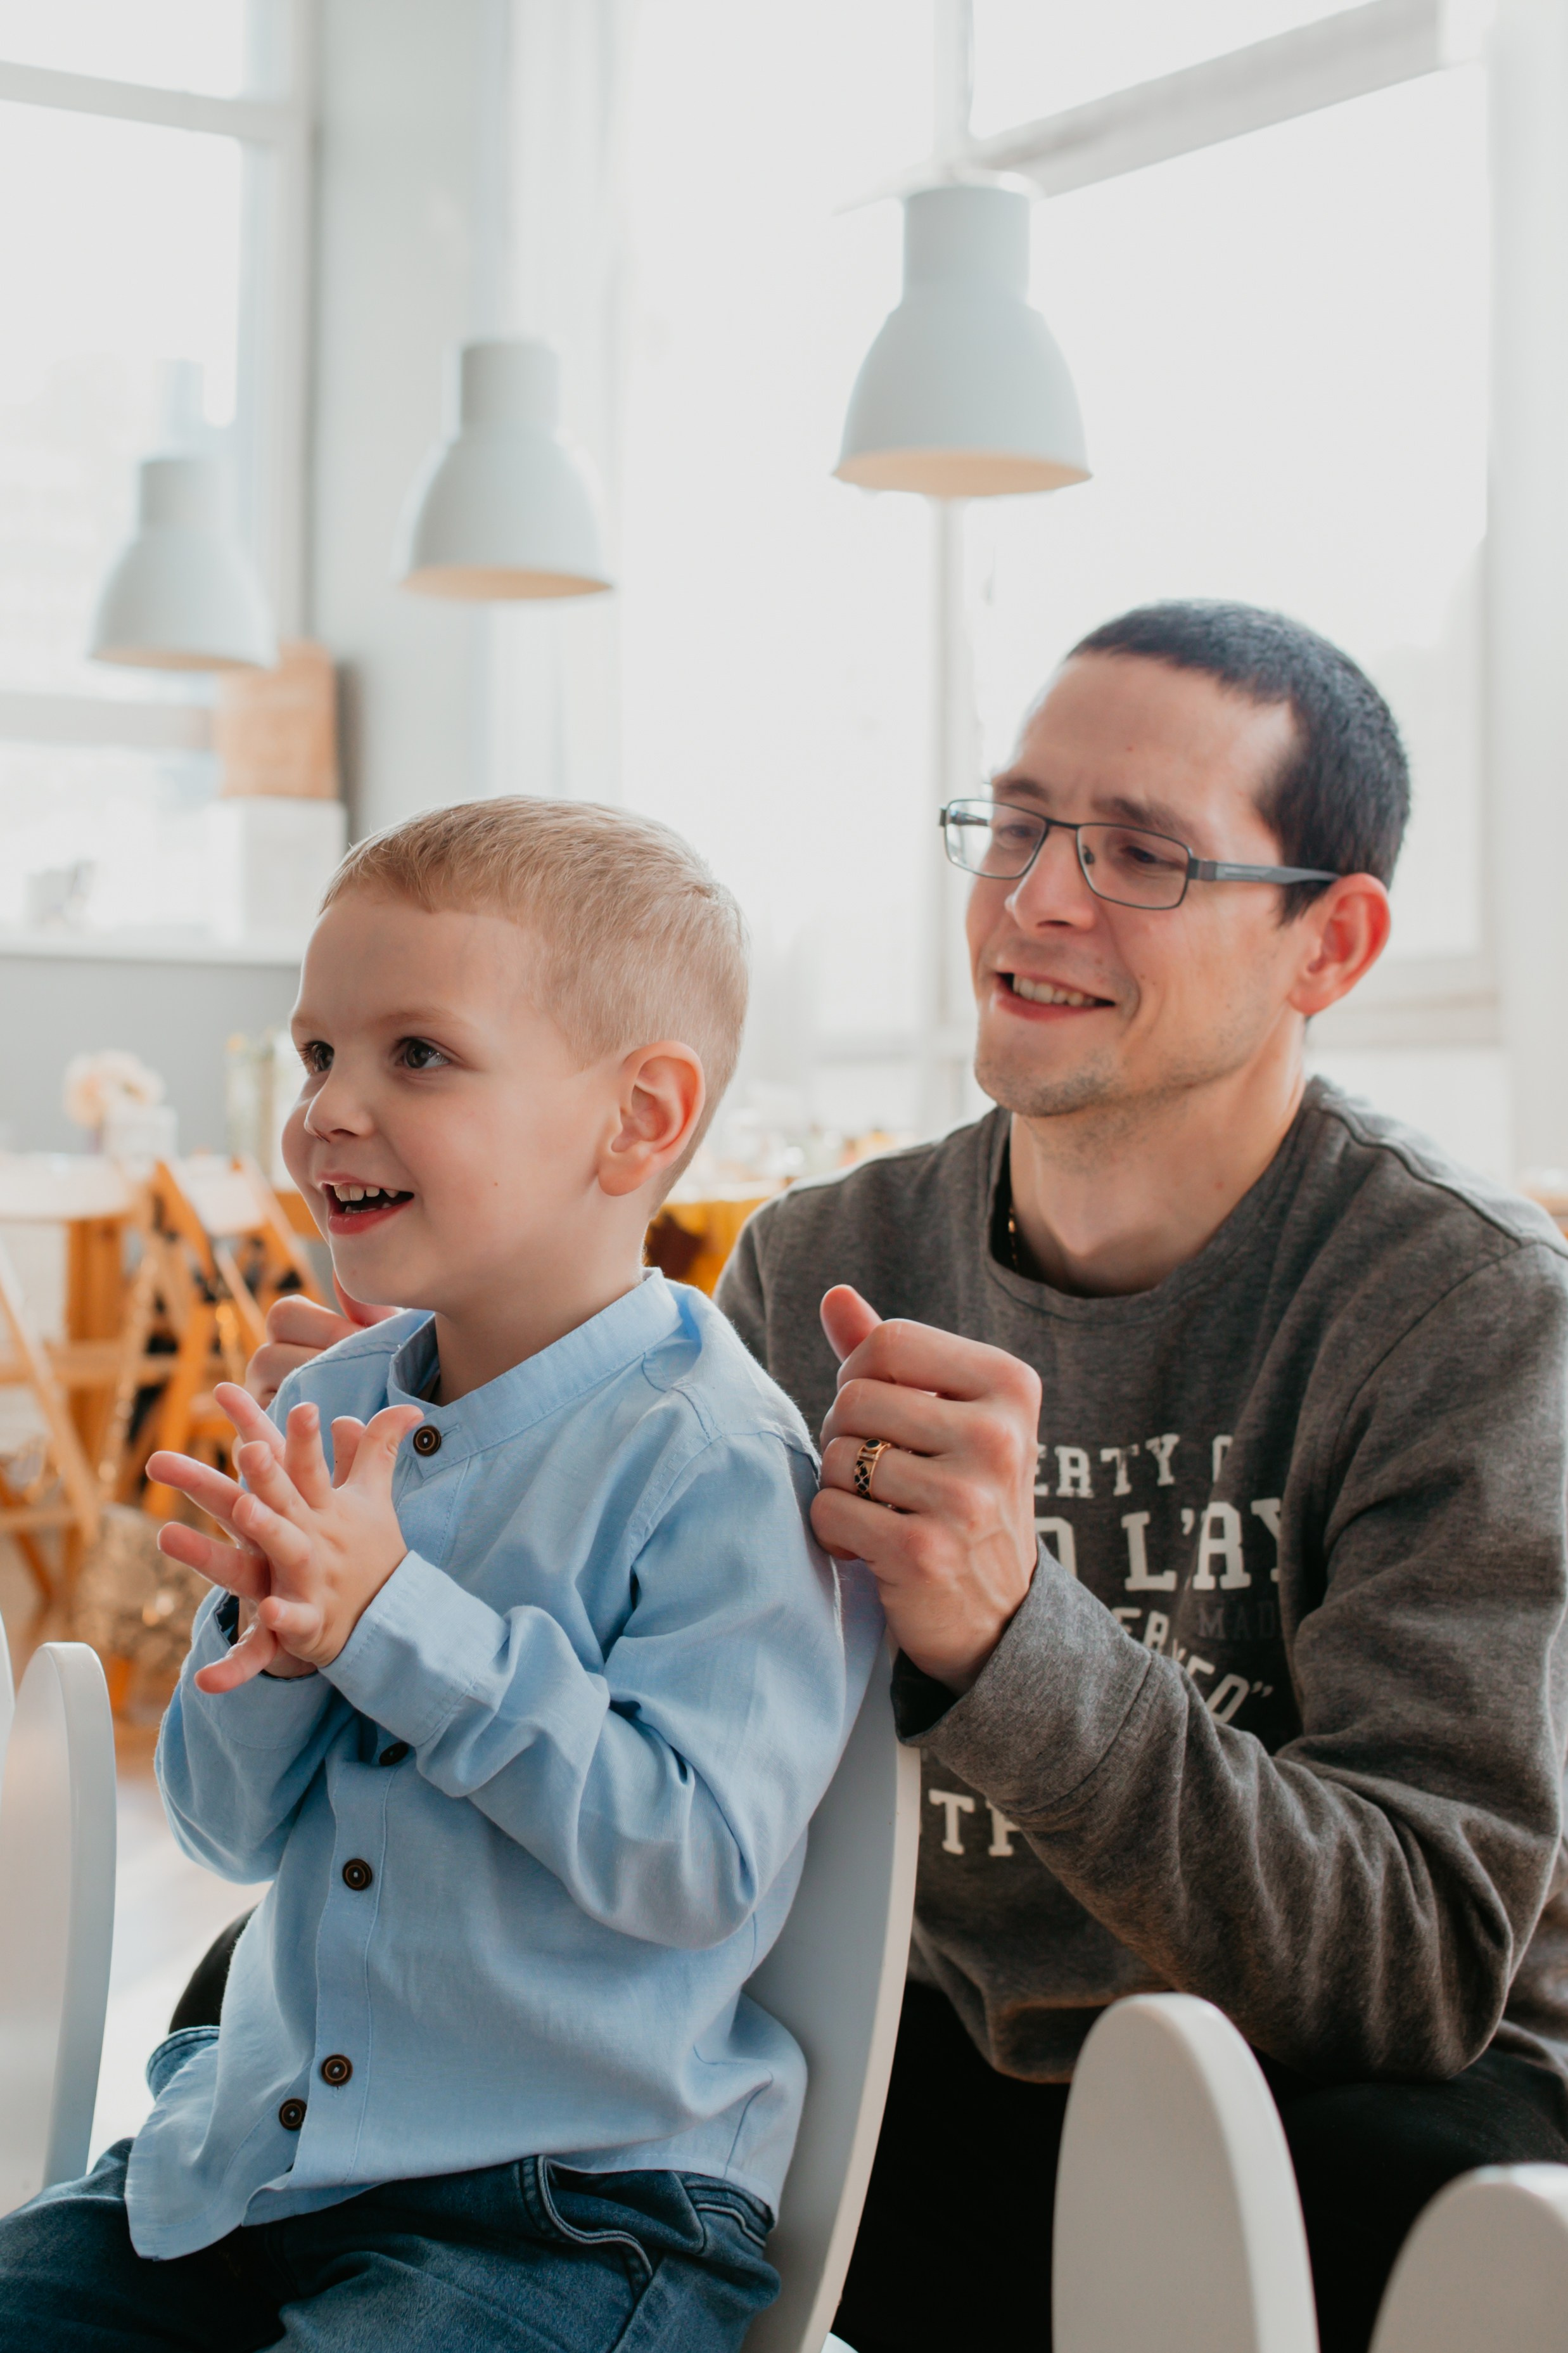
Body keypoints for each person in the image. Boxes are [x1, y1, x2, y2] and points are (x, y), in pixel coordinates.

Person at [243, 603, 1568, 2353]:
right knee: (278, 2025)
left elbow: (1407, 1967)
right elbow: (641, 1760)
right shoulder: (822, 1255)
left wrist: (1011, 1637)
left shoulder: (1459, 1303)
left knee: (1408, 2207)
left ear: (1330, 941)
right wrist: (397, 1516)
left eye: (1142, 856)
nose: (1034, 899)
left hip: (1308, 2105)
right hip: (905, 2040)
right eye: (1016, 825)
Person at [0, 799, 879, 2353]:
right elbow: (217, 1822)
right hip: (253, 2165)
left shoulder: (716, 1462)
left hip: (574, 2209)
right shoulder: (324, 1407)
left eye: (417, 1054)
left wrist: (393, 1622)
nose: (329, 1108)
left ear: (639, 1119)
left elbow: (695, 1867)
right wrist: (273, 1663)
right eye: (317, 1052)